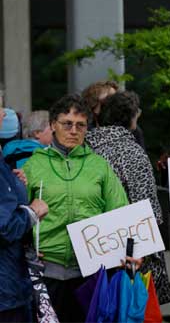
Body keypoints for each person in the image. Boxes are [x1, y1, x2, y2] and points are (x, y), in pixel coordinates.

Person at [22, 94, 129, 322]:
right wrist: (27, 246)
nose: (73, 130)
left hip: (90, 271)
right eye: (67, 124)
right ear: (52, 125)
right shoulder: (33, 165)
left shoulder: (99, 166)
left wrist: (130, 250)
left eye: (80, 125)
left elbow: (120, 211)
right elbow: (20, 214)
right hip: (46, 270)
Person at [85, 91, 170, 304]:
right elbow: (147, 206)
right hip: (128, 251)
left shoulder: (85, 148)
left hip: (91, 245)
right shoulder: (131, 151)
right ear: (131, 117)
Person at [0, 106, 49, 322]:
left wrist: (13, 183)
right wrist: (33, 211)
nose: (4, 114)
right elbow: (5, 227)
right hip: (6, 291)